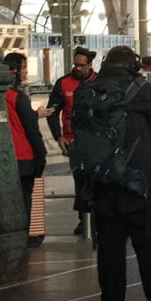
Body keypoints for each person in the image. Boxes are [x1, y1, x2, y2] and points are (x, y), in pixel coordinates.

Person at [72, 45, 151, 301]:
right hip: (141, 181)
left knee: (109, 248)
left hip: (103, 181)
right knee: (149, 246)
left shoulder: (87, 91)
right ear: (134, 65)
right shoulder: (141, 88)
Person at [44, 47, 96, 235]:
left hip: (97, 142)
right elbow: (52, 112)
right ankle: (84, 220)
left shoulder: (100, 82)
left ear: (90, 65)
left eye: (81, 65)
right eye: (75, 65)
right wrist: (58, 136)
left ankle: (95, 219)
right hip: (73, 141)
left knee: (97, 180)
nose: (77, 68)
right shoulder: (63, 83)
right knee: (81, 181)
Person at [3, 52, 50, 248]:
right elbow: (31, 130)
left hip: (4, 156)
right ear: (14, 71)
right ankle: (27, 236)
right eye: (23, 68)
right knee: (25, 198)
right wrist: (42, 154)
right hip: (24, 156)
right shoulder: (17, 97)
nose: (26, 72)